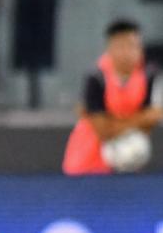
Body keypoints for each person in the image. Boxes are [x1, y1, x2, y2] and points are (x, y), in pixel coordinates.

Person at [62, 19, 161, 175]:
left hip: (128, 163)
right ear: (110, 48)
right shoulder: (96, 78)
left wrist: (144, 119)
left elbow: (148, 126)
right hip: (87, 164)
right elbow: (104, 131)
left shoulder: (148, 76)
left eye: (133, 46)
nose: (127, 53)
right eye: (121, 46)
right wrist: (143, 118)